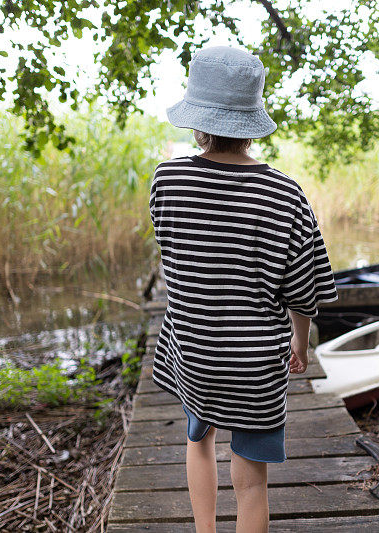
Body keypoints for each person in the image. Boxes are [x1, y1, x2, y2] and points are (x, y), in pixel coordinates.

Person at [148, 45, 338, 533]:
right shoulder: (284, 193)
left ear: (198, 116)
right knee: (252, 482)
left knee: (199, 440)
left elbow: (176, 254)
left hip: (193, 346)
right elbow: (302, 287)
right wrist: (300, 340)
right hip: (254, 359)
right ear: (252, 117)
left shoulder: (167, 179)